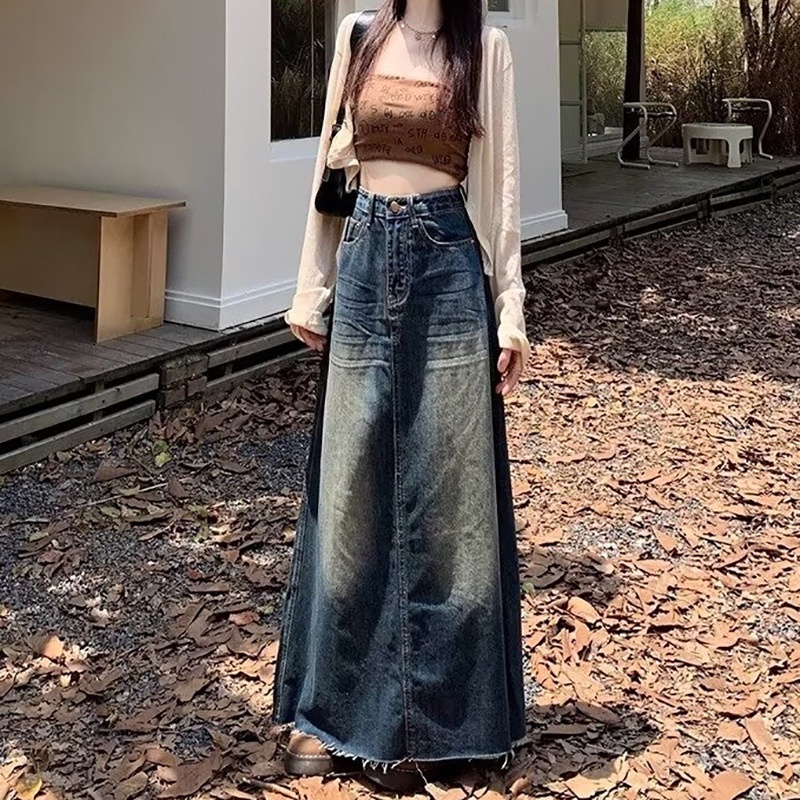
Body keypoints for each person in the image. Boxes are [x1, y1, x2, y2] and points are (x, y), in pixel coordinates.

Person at [272, 0, 530, 791]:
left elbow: (502, 187)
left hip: (448, 264)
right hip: (363, 257)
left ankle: (452, 725)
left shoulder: (485, 46)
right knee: (349, 489)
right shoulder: (357, 35)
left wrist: (509, 309)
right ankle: (335, 713)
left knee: (452, 497)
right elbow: (329, 173)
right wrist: (311, 287)